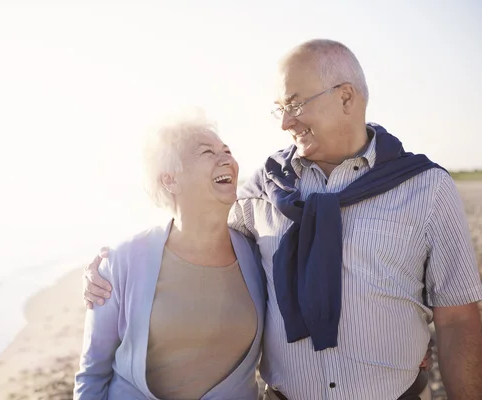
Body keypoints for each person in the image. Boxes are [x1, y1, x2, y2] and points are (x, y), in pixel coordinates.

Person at [83, 39, 482, 400]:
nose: (284, 123)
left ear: (346, 98)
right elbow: (193, 229)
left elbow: (459, 318)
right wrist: (110, 268)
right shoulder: (259, 191)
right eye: (280, 109)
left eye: (293, 104)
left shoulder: (426, 187)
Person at [73, 109, 266, 399]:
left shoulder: (259, 253)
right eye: (207, 153)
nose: (226, 158)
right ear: (170, 180)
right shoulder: (121, 262)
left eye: (227, 150)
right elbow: (92, 374)